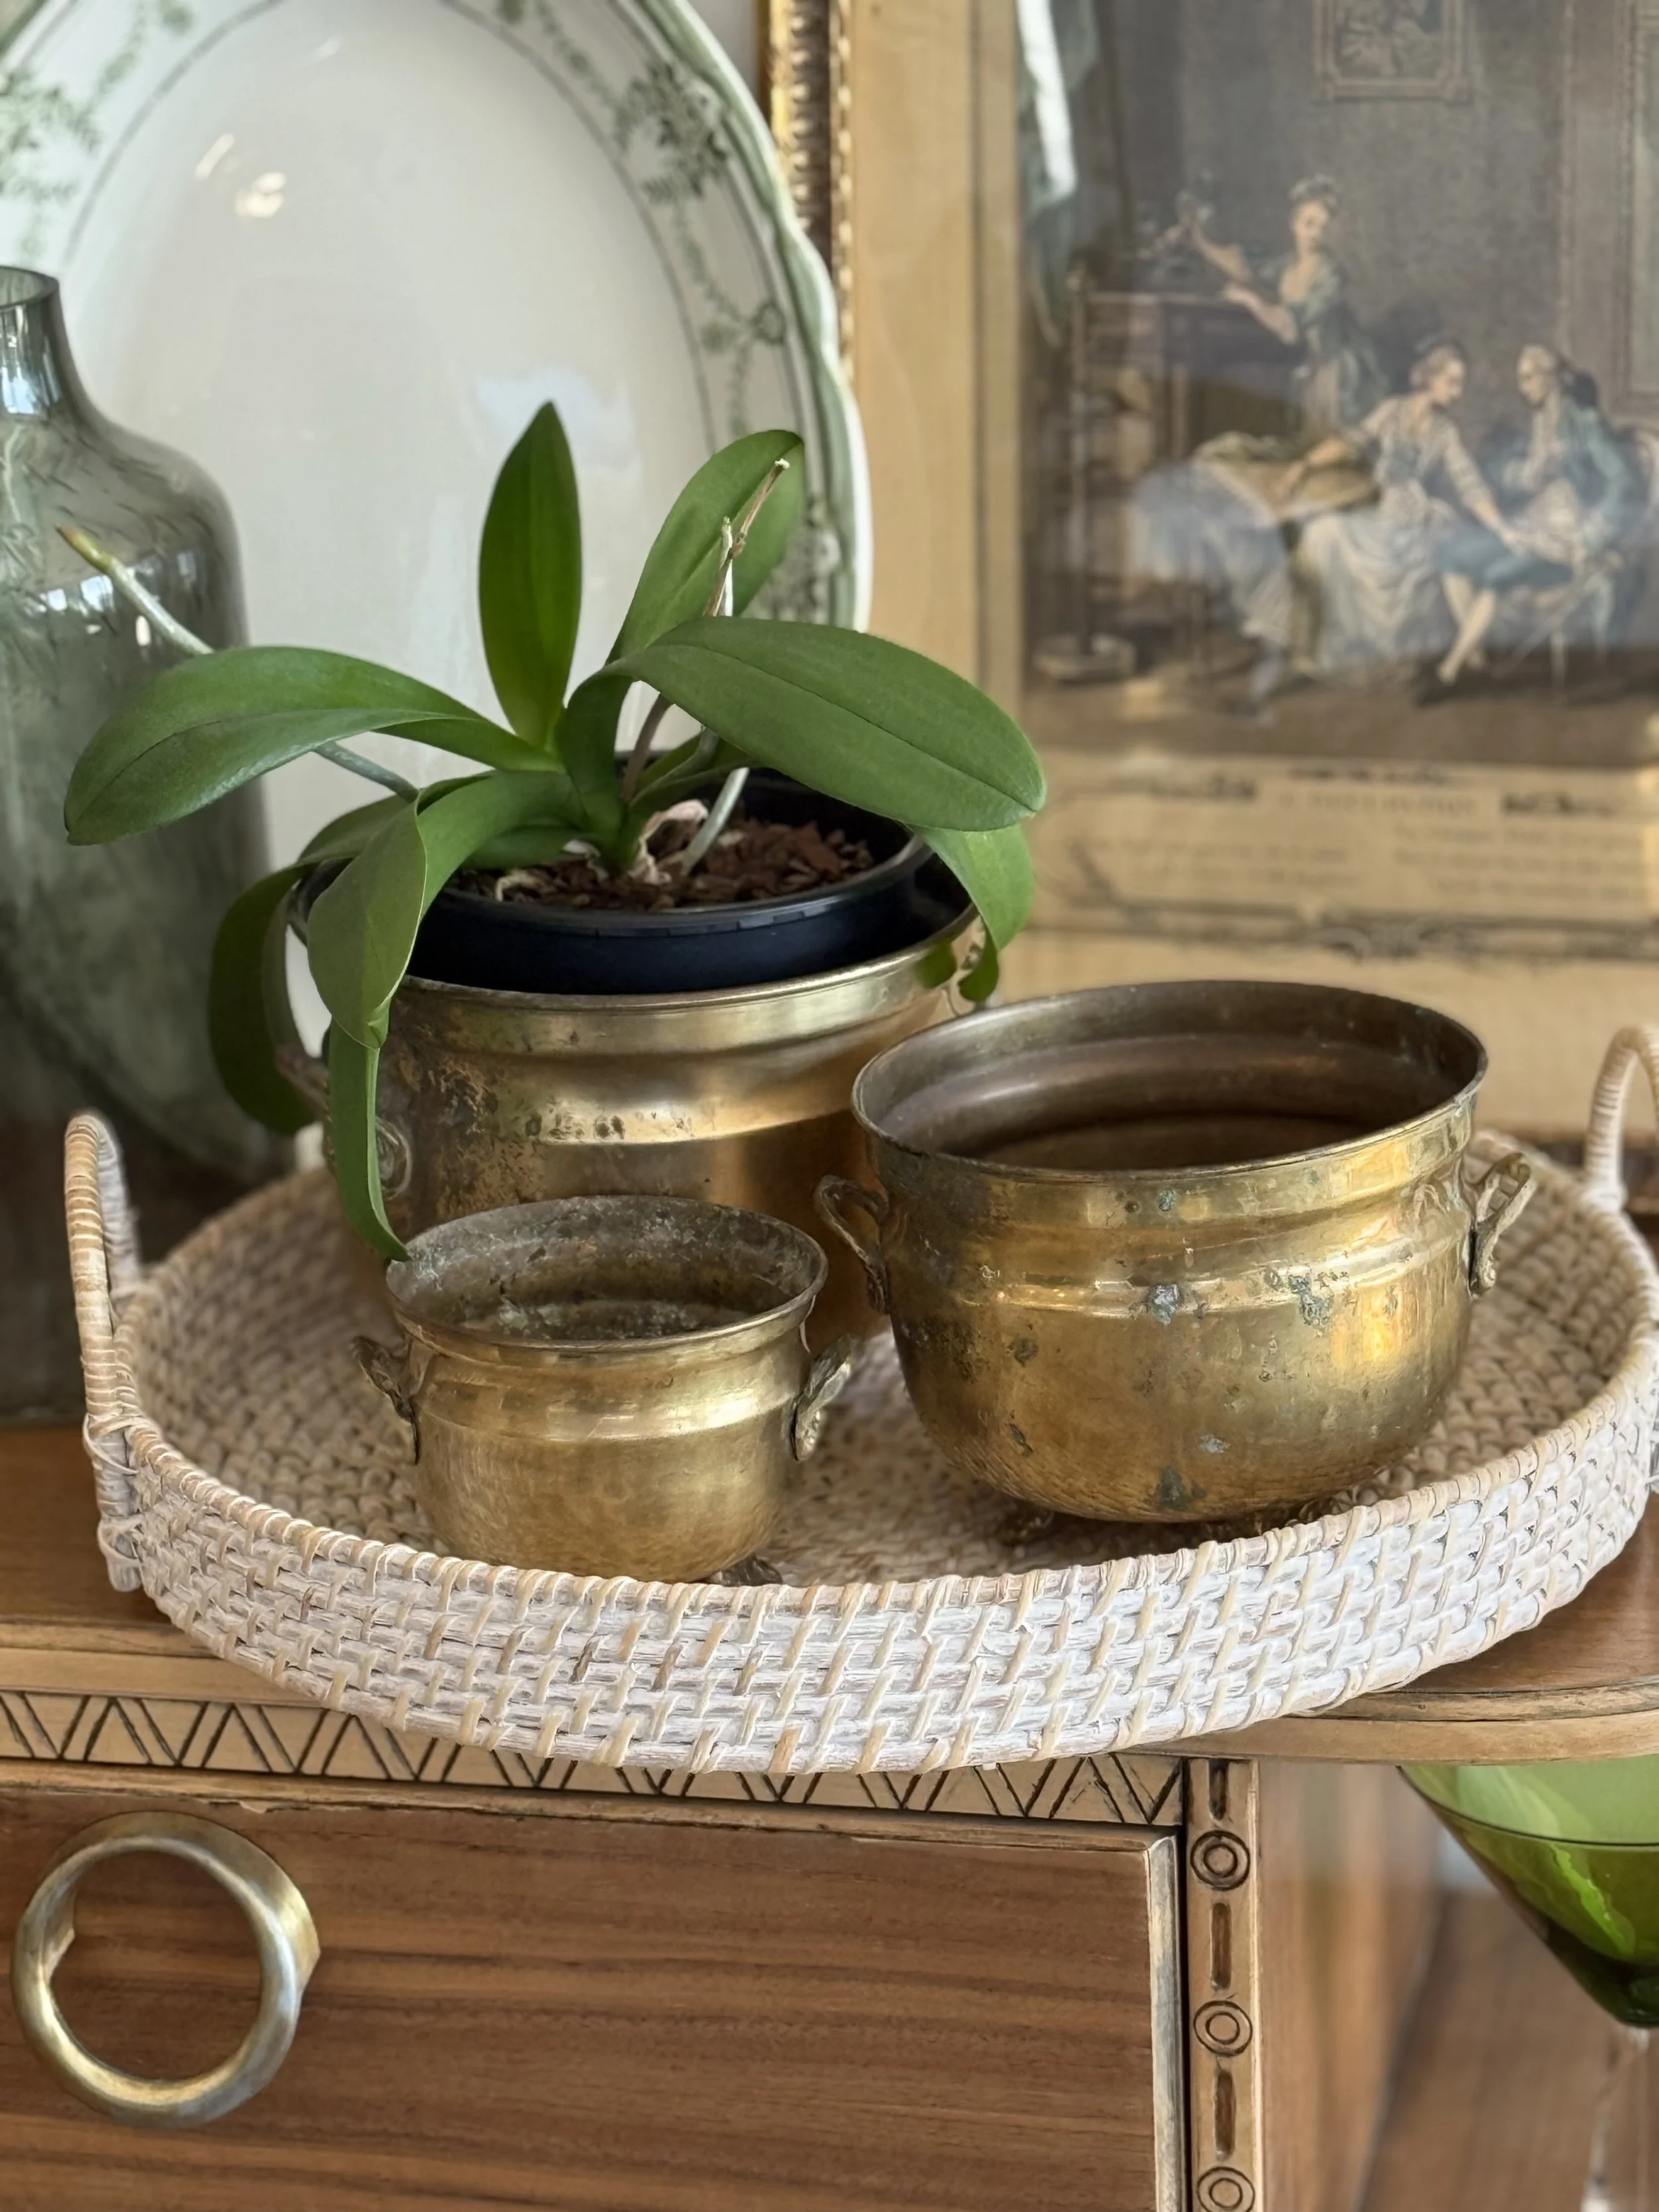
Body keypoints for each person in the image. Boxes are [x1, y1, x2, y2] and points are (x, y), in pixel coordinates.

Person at [1283, 340, 1522, 676]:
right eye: (1452, 382)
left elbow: (1470, 485)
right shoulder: (1391, 411)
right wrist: (1306, 464)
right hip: (1383, 518)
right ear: (1430, 377)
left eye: (1462, 384)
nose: (1458, 392)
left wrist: (1500, 526)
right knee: (1320, 536)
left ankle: (1444, 654)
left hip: (1421, 522)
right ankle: (1311, 648)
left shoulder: (1445, 432)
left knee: (1420, 568)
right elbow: (1351, 443)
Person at [1426, 344, 1646, 691]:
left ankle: (1449, 671)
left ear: (1551, 379)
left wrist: (1591, 536)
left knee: (1498, 576)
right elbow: (1500, 472)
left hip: (1569, 535)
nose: (1523, 387)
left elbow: (1624, 483)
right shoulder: (1537, 424)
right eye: (1521, 379)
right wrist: (1526, 474)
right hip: (1531, 524)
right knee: (1451, 557)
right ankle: (1477, 660)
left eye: (1529, 378)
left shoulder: (1585, 424)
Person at [1183, 176, 1388, 434]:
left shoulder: (1332, 276)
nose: (1315, 234)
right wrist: (1202, 243)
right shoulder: (1287, 265)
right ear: (1293, 224)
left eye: (1323, 227)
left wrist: (1249, 299)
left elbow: (1293, 324)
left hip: (1335, 372)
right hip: (1306, 366)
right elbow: (1245, 270)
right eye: (1309, 224)